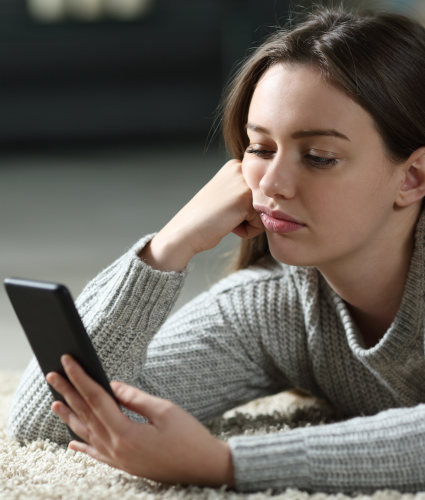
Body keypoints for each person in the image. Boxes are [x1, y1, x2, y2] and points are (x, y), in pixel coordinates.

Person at [7, 4, 425, 494]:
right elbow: (51, 423)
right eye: (260, 148)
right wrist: (168, 246)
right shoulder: (275, 309)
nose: (272, 183)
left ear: (412, 176)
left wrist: (222, 462)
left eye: (319, 157)